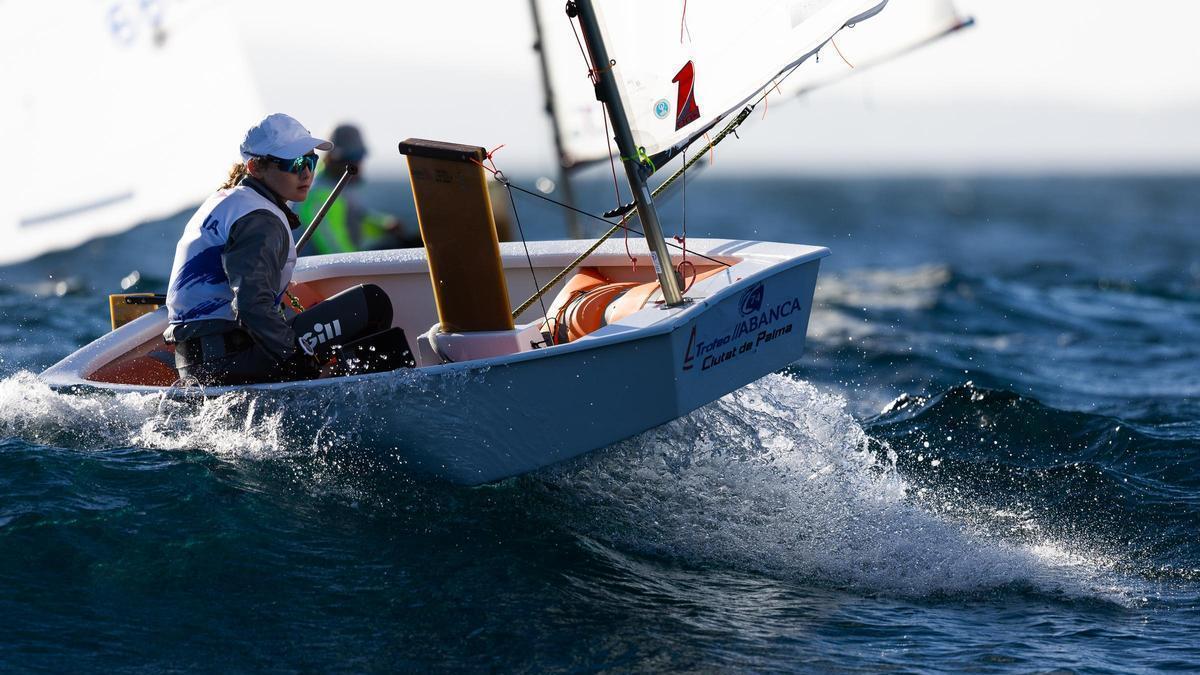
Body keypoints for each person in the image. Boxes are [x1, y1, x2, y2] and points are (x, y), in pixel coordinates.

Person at [163, 113, 393, 385]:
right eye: (294, 163)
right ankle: (350, 403)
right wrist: (296, 358)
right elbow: (251, 303)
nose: (306, 172)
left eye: (310, 160)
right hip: (231, 362)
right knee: (372, 303)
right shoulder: (260, 220)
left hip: (202, 363)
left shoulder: (227, 201)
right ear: (255, 167)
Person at [296, 123, 420, 255]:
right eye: (351, 158)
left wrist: (384, 225)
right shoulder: (319, 197)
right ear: (332, 159)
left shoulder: (337, 190)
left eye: (359, 156)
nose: (357, 163)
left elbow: (356, 219)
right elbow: (336, 253)